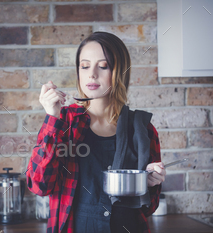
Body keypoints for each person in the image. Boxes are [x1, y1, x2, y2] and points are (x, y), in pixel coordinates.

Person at [26, 31, 166, 233]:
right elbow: (40, 185)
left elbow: (149, 207)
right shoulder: (62, 122)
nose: (91, 74)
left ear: (119, 72)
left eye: (103, 66)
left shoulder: (142, 129)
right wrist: (52, 118)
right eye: (84, 66)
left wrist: (151, 183)